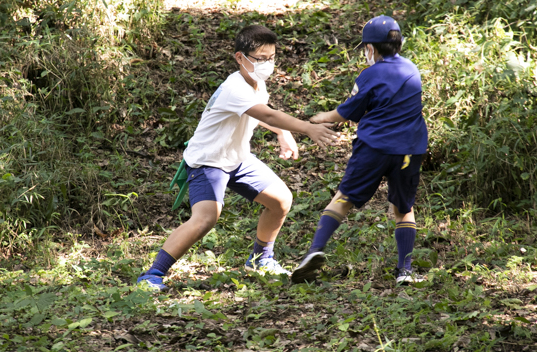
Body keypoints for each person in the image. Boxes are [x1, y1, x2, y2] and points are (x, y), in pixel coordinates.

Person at [139, 24, 338, 291]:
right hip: (208, 160)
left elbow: (263, 111)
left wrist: (282, 133)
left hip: (237, 158)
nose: (267, 64)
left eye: (271, 58)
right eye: (260, 58)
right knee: (206, 218)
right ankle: (152, 275)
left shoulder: (257, 83)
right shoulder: (234, 88)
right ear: (240, 57)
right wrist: (306, 127)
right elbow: (266, 115)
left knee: (280, 200)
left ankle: (260, 260)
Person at [291, 15, 428, 285]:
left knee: (343, 199)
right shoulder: (412, 69)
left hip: (375, 148)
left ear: (371, 48)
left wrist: (320, 118)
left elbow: (346, 112)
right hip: (410, 150)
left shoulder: (370, 74)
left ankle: (314, 251)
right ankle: (405, 271)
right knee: (404, 207)